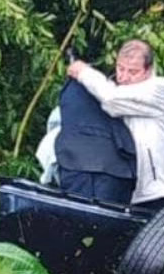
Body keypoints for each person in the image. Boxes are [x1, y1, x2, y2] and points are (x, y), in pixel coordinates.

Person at [67, 40, 164, 208]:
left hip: (155, 190)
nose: (124, 77)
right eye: (120, 68)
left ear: (148, 70)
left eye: (133, 71)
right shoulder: (112, 87)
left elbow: (111, 99)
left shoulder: (158, 89)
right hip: (127, 189)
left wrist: (83, 72)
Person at [53, 65, 139, 203]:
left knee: (82, 220)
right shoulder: (124, 89)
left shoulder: (76, 89)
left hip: (83, 168)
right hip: (120, 171)